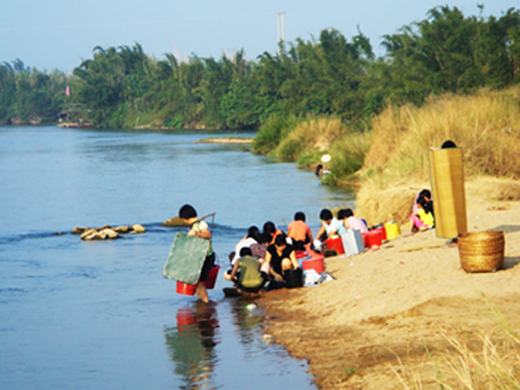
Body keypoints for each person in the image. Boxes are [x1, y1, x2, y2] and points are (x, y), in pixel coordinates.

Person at [179, 204, 215, 303]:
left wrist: (196, 233)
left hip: (206, 256)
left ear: (185, 218)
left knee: (199, 281)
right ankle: (202, 300)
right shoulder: (195, 225)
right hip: (201, 257)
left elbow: (208, 234)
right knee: (197, 281)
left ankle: (205, 302)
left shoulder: (201, 224)